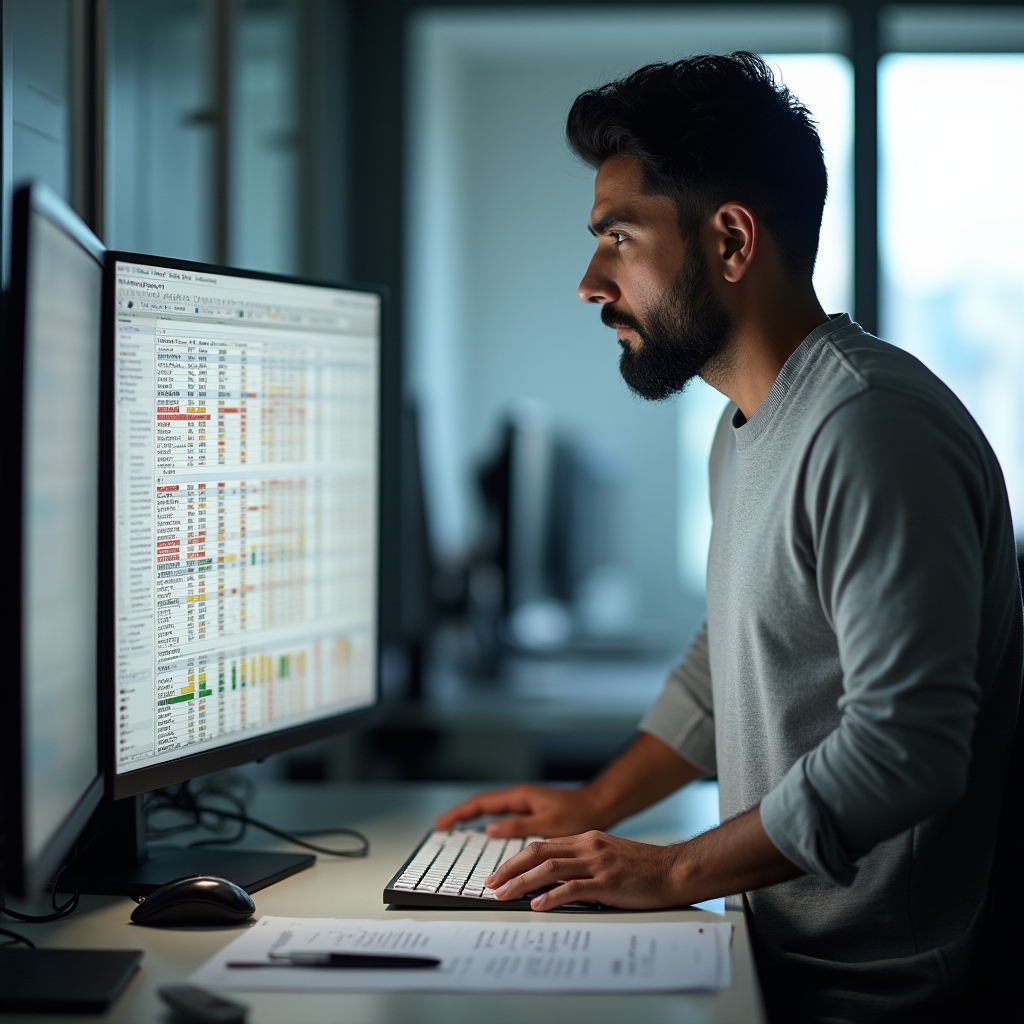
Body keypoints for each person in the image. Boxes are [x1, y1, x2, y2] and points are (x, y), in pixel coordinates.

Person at [435, 53, 1022, 1023]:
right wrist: (595, 807)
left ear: (732, 241)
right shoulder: (746, 426)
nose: (589, 282)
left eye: (617, 238)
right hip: (773, 960)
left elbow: (908, 746)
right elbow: (729, 661)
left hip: (876, 993)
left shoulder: (868, 429)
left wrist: (671, 871)